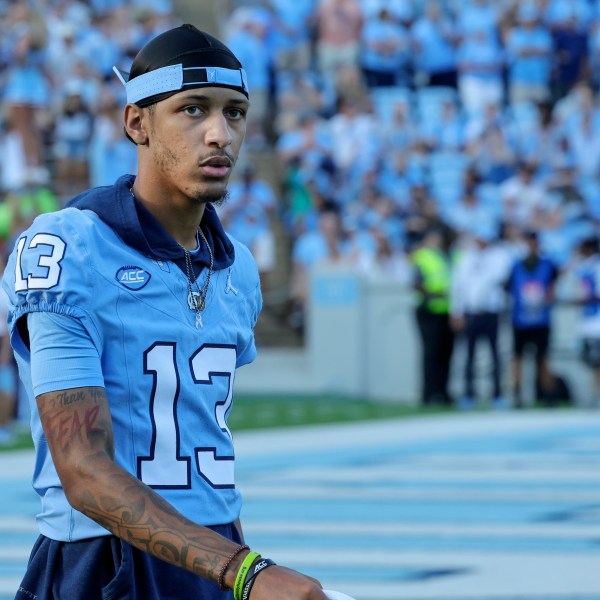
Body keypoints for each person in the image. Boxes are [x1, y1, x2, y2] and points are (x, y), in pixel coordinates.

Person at [2, 24, 330, 600]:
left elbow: (207, 455)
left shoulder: (238, 269)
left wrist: (233, 562)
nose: (218, 134)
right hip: (102, 562)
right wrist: (246, 572)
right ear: (137, 123)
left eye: (235, 113)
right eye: (193, 109)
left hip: (211, 557)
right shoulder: (68, 247)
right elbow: (83, 472)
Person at [450, 228, 512, 410]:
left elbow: (498, 277)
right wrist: (456, 311)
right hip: (471, 313)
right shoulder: (466, 257)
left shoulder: (499, 256)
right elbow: (458, 285)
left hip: (491, 312)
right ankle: (469, 394)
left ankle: (498, 394)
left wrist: (484, 262)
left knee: (495, 355)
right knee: (468, 356)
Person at [506, 231, 559, 408]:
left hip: (541, 320)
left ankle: (548, 395)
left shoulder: (548, 265)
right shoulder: (516, 266)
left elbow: (553, 287)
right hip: (520, 320)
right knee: (517, 358)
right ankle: (516, 395)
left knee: (542, 358)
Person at [410, 227, 454, 407]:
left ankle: (443, 392)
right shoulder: (422, 257)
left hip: (447, 310)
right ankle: (428, 393)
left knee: (446, 354)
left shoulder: (449, 257)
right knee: (430, 353)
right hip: (428, 310)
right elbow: (416, 283)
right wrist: (434, 295)